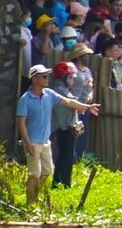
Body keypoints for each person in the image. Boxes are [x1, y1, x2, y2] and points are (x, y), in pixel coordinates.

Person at [17, 64, 97, 208]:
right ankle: (30, 203)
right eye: (44, 76)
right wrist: (27, 142)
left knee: (47, 172)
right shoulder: (25, 99)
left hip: (45, 142)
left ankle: (34, 196)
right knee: (34, 174)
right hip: (32, 142)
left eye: (47, 76)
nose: (47, 78)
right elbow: (21, 123)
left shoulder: (49, 94)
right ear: (34, 79)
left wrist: (87, 107)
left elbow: (68, 101)